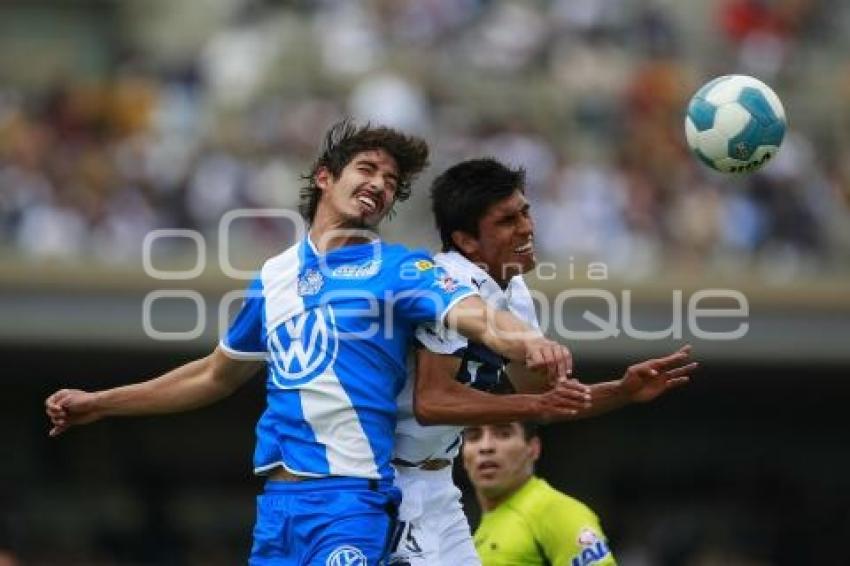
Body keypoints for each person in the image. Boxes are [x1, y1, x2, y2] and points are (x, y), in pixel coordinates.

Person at [44, 122, 577, 566]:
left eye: (391, 181)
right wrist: (101, 402)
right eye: (367, 169)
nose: (380, 185)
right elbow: (214, 374)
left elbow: (475, 315)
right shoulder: (274, 278)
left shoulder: (398, 268)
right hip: (277, 507)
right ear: (325, 177)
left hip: (351, 498)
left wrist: (530, 341)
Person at [388, 158, 696, 565]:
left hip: (438, 483)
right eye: (506, 221)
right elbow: (431, 402)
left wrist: (621, 391)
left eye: (526, 212)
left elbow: (545, 397)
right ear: (466, 241)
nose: (527, 228)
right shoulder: (443, 287)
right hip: (387, 481)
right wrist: (534, 405)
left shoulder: (513, 291)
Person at [463, 421, 616, 566]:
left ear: (533, 448)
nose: (485, 446)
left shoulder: (556, 512)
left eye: (504, 434)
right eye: (474, 437)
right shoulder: (467, 530)